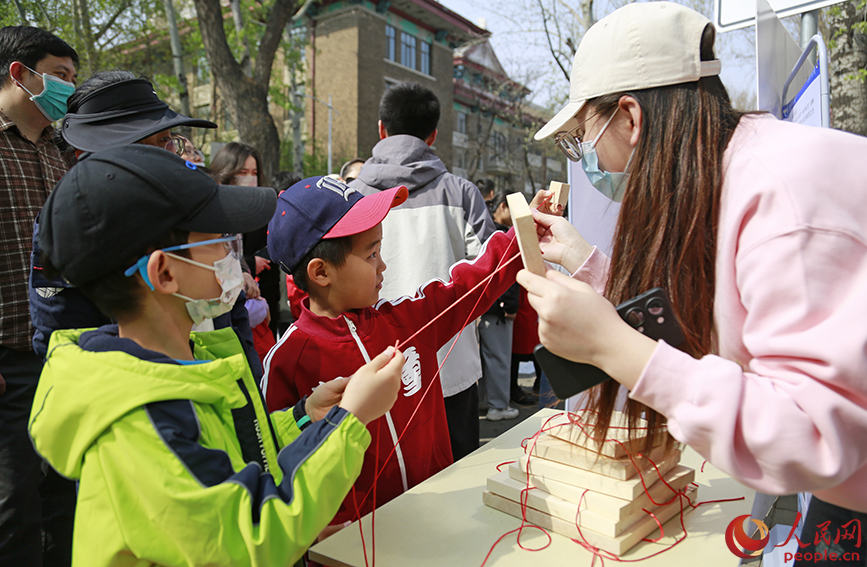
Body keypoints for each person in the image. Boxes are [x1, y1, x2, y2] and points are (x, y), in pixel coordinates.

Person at [521, 3, 867, 561]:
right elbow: (724, 320)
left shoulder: (782, 193)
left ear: (631, 119)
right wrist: (590, 264)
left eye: (581, 137)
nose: (584, 157)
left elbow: (813, 437)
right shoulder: (738, 170)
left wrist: (612, 344)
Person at [29, 144, 405, 566]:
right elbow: (248, 538)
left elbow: (234, 457)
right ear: (165, 273)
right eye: (220, 241)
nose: (236, 253)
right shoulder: (137, 424)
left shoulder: (187, 362)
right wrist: (346, 422)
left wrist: (304, 418)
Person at [261, 175, 522, 531]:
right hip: (354, 544)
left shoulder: (406, 319)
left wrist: (522, 235)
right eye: (371, 253)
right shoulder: (287, 358)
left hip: (436, 516)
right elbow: (277, 461)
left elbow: (469, 285)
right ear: (320, 272)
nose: (382, 265)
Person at [350, 81, 495, 460]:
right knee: (458, 474)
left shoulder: (350, 197)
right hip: (451, 361)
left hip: (372, 367)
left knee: (390, 487)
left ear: (381, 128)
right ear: (432, 135)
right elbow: (489, 272)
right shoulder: (461, 193)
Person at [0, 24, 78, 567]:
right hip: (8, 360)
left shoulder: (65, 152)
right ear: (19, 74)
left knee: (70, 497)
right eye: (60, 76)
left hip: (68, 353)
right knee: (13, 504)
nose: (70, 89)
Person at [211, 142, 282, 339]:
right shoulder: (215, 211)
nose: (250, 179)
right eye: (243, 172)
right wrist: (249, 264)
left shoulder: (265, 206)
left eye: (254, 172)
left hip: (262, 301)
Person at [478, 191, 520, 421]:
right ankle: (499, 406)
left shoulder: (482, 229)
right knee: (499, 356)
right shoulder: (503, 234)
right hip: (499, 306)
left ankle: (487, 401)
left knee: (485, 358)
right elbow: (509, 274)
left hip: (481, 305)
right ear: (503, 206)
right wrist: (510, 305)